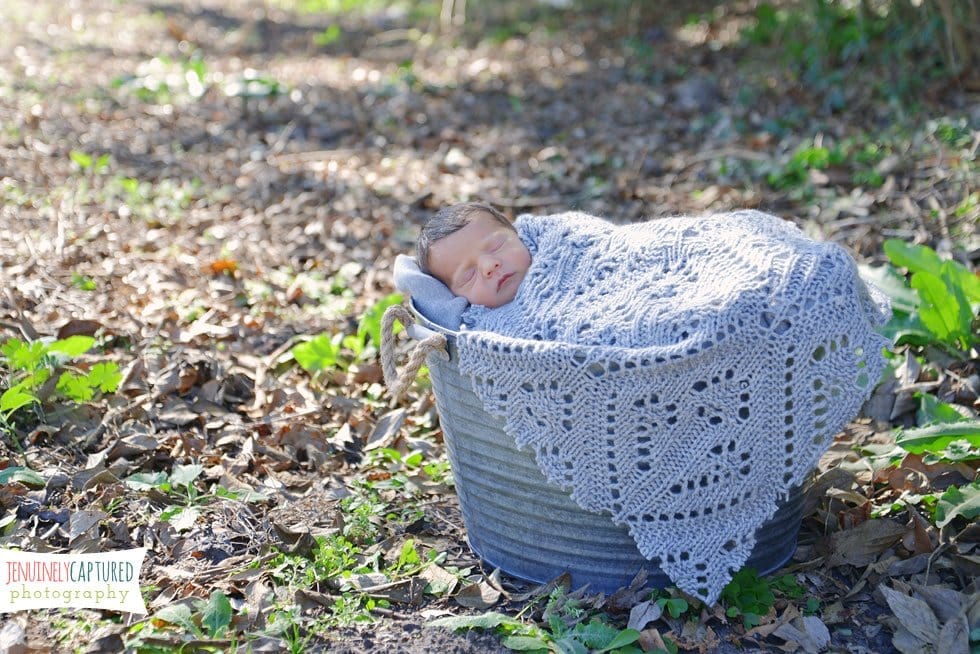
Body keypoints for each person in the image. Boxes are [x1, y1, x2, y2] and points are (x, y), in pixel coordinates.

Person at [416, 202, 531, 309]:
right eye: (469, 276)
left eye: (497, 246)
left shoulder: (546, 244)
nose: (489, 265)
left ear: (515, 232)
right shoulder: (474, 327)